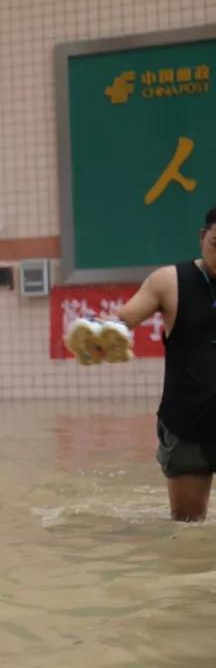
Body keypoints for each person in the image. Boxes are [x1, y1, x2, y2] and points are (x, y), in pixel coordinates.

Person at [109, 207, 216, 521]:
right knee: (187, 526)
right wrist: (99, 332)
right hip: (187, 423)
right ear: (202, 237)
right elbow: (123, 321)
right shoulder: (170, 281)